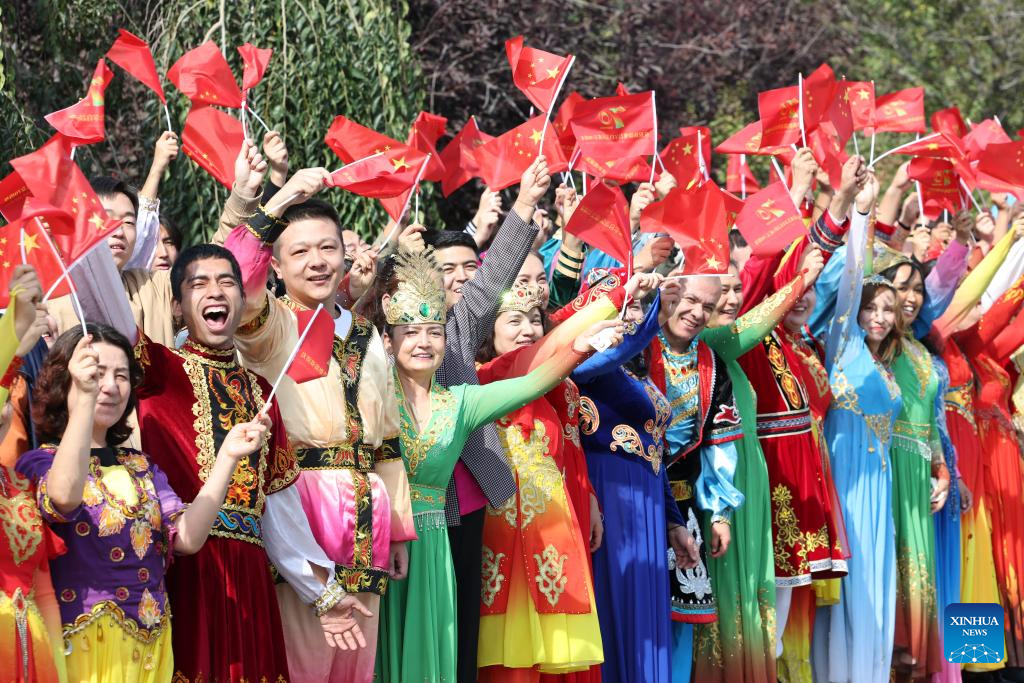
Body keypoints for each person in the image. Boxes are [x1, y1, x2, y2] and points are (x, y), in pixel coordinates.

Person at [72, 242, 370, 681]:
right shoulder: (159, 369)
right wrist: (86, 234)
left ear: (242, 300)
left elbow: (281, 510)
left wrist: (323, 594)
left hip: (249, 579)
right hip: (183, 569)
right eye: (199, 284)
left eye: (227, 282)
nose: (215, 291)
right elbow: (109, 309)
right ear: (177, 306)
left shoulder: (261, 392)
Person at [375, 247, 620, 682]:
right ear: (388, 340)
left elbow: (532, 382)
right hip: (385, 537)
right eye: (410, 332)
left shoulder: (460, 402)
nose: (423, 342)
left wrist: (578, 349)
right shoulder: (372, 394)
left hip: (436, 547)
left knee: (439, 654)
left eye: (434, 332)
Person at [219, 166, 416, 683]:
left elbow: (388, 441)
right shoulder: (269, 325)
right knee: (302, 657)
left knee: (356, 663)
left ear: (345, 255)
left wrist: (397, 529)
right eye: (301, 251)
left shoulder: (367, 334)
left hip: (366, 514)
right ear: (277, 266)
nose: (317, 261)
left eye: (328, 248)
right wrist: (280, 198)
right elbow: (237, 277)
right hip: (297, 505)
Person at [17, 324, 268, 681]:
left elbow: (186, 538)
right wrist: (84, 401)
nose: (110, 386)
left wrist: (228, 456)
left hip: (151, 648)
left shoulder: (141, 465)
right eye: (96, 374)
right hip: (84, 648)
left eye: (121, 376)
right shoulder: (40, 462)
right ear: (65, 381)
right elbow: (63, 498)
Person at [475, 276, 659, 680]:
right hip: (507, 536)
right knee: (512, 656)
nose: (528, 329)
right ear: (488, 332)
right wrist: (621, 292)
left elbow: (570, 449)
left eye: (534, 320)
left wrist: (587, 497)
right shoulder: (485, 376)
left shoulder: (555, 388)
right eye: (514, 321)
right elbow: (549, 352)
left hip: (555, 530)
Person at [425, 156, 550, 683]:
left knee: (466, 626)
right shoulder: (385, 335)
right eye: (444, 269)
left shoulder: (457, 327)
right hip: (417, 501)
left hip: (472, 492)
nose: (459, 278)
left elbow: (493, 274)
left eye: (466, 267)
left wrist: (524, 204)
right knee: (428, 626)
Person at [812, 172, 905, 683]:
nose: (879, 316)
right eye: (872, 306)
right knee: (851, 587)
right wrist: (863, 214)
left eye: (888, 309)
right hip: (845, 486)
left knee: (875, 584)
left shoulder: (887, 367)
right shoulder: (842, 345)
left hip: (879, 490)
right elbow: (849, 279)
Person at [0, 266, 61, 683]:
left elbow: (45, 595)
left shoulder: (21, 488)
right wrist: (13, 331)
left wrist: (58, 669)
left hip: (31, 654)